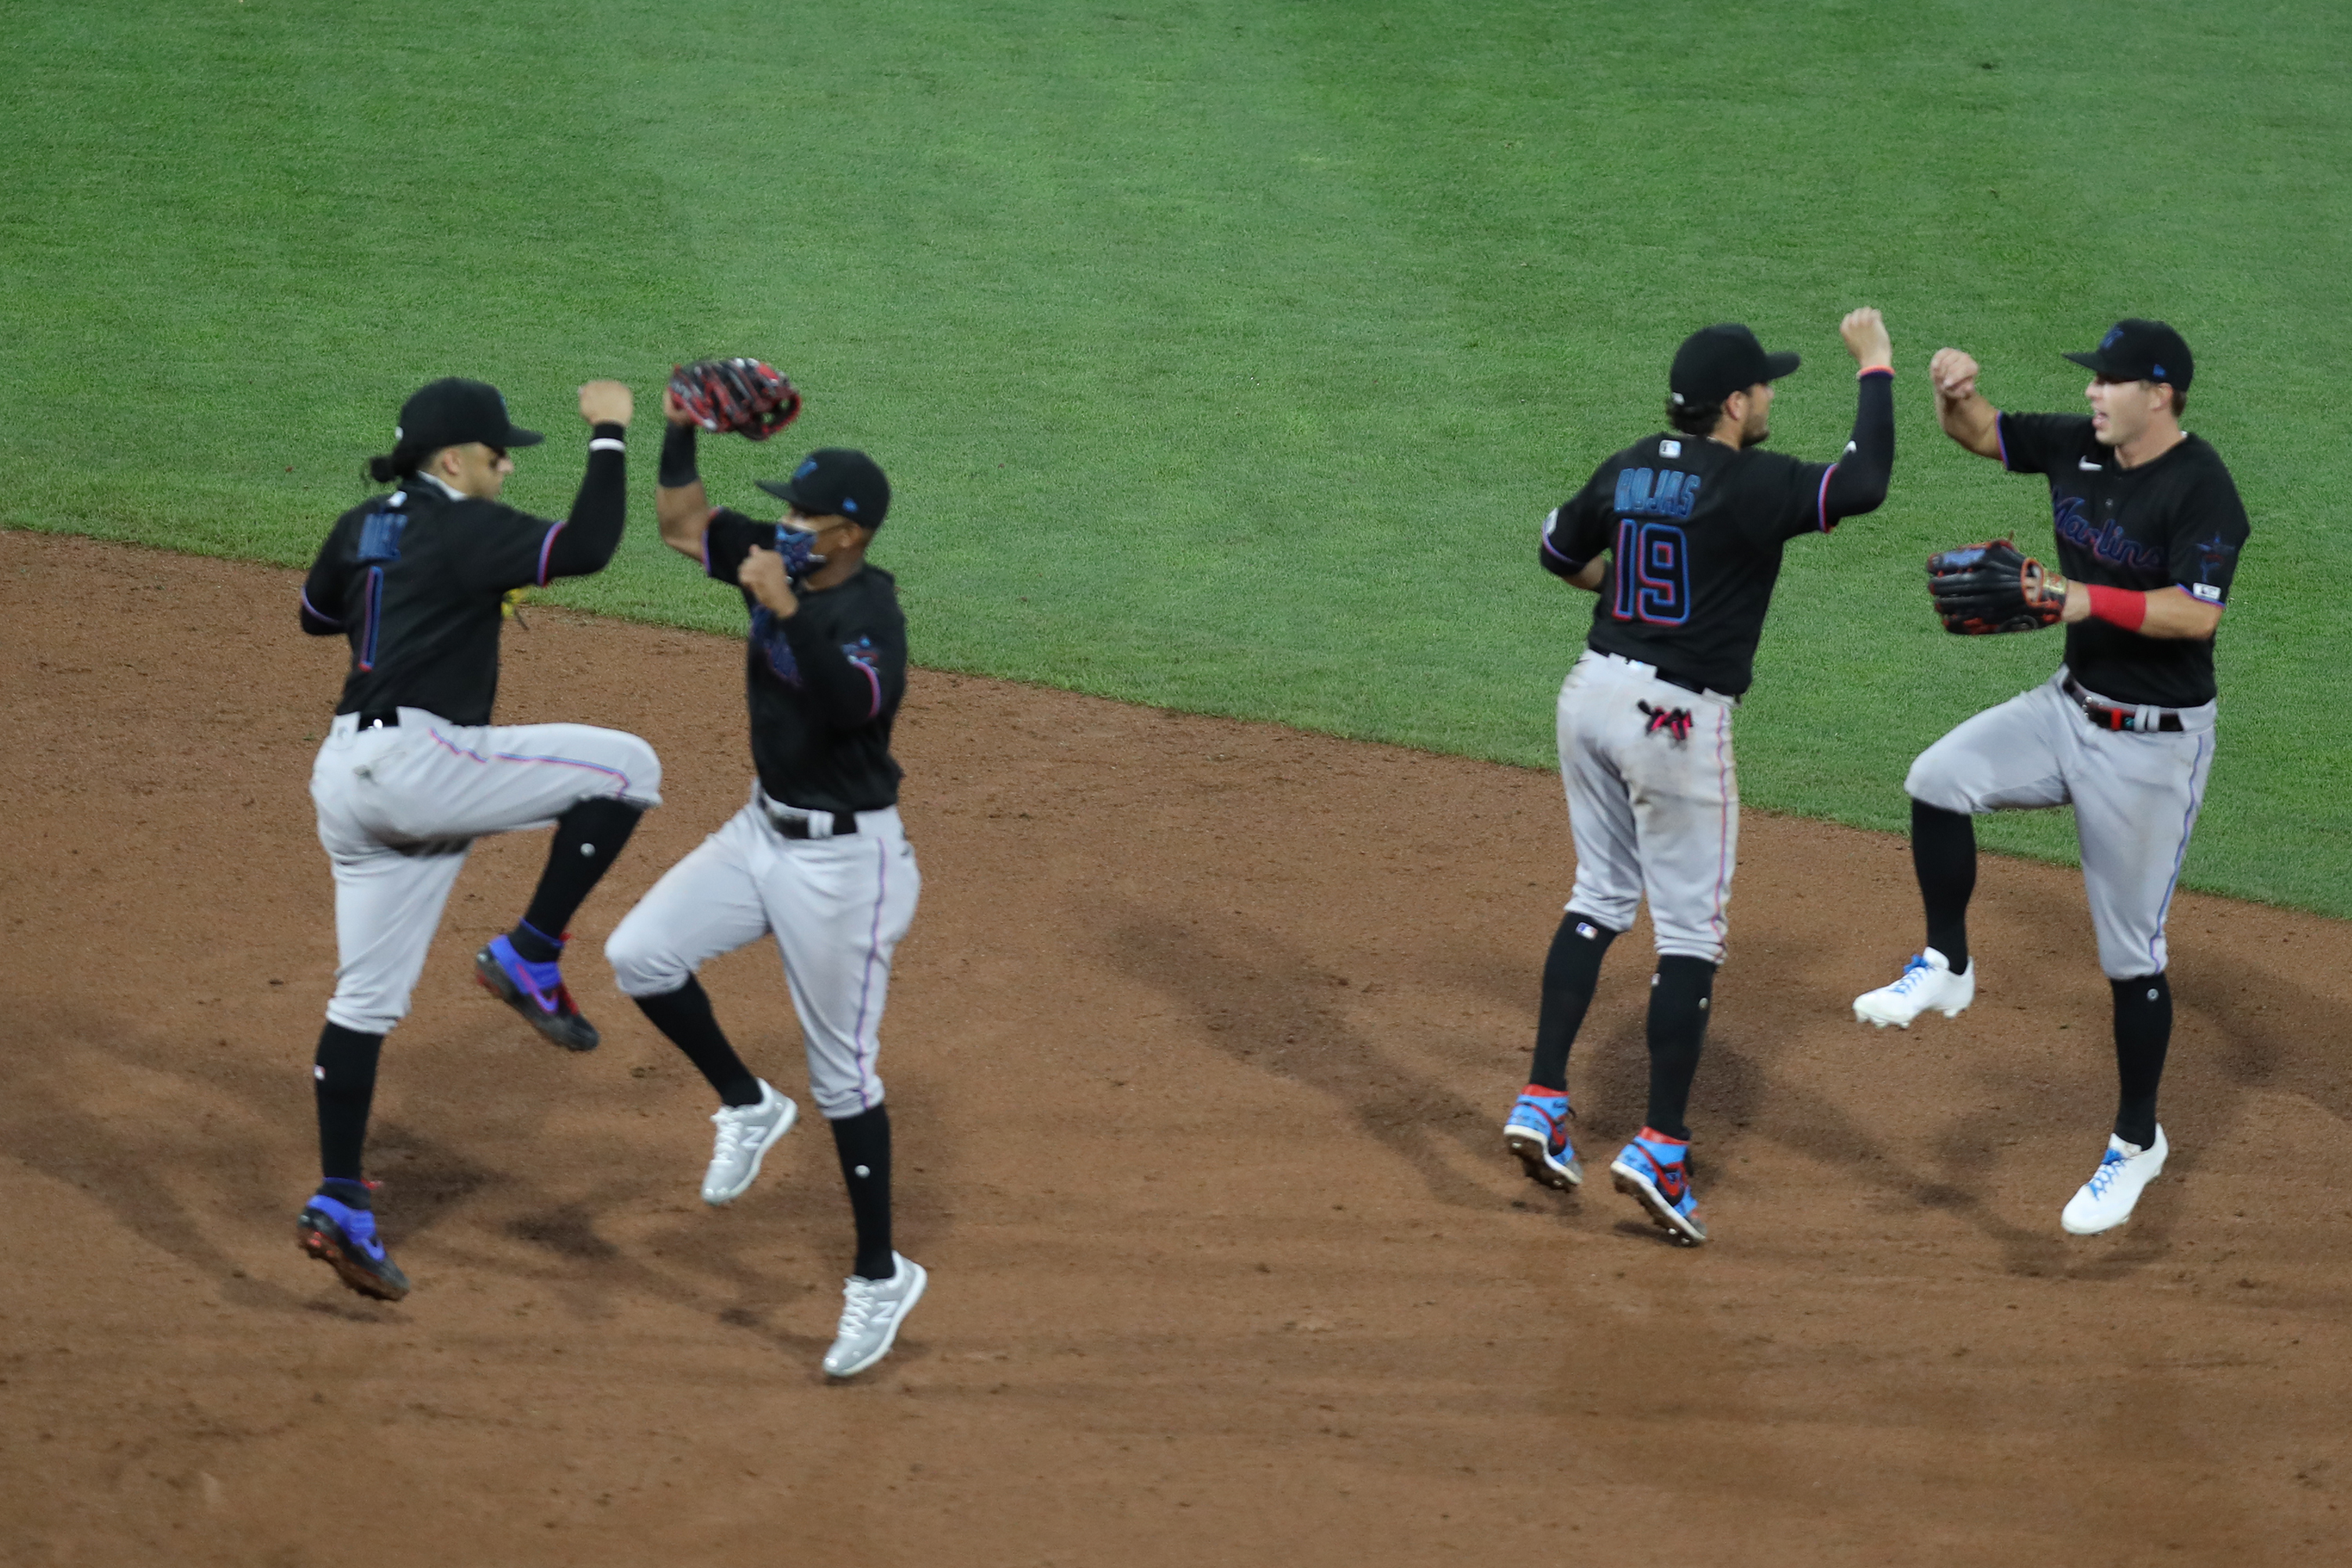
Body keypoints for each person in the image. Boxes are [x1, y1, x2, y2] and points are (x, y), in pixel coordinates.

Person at [1503, 311, 1897, 1244]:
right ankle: (1661, 1146)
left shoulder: (1633, 464)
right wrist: (1876, 368)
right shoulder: (1753, 482)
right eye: (1765, 388)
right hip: (1676, 721)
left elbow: (1560, 551)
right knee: (1690, 933)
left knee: (1598, 894)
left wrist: (1633, 600)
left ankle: (1543, 1098)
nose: (1771, 399)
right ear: (1734, 403)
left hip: (1589, 692)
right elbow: (1865, 483)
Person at [1852, 319, 2249, 1236]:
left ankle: (2136, 1140)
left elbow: (2194, 615)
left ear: (2160, 394)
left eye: (2107, 381)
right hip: (2066, 706)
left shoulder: (2203, 489)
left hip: (2154, 747)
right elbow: (1981, 431)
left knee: (2130, 956)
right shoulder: (2081, 445)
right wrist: (1953, 392)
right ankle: (1947, 961)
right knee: (1937, 777)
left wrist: (2079, 597)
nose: (2089, 394)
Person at [294, 376, 662, 1301]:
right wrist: (612, 433)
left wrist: (435, 602)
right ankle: (532, 951)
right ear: (452, 460)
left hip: (344, 777)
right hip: (423, 765)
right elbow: (588, 548)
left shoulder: (362, 523)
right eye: (500, 453)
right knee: (628, 768)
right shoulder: (462, 522)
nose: (506, 466)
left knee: (366, 997)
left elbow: (317, 616)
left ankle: (341, 1199)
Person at [604, 397, 924, 1376]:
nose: (782, 527)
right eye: (782, 513)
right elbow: (678, 524)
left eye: (801, 518)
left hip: (845, 866)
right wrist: (677, 425)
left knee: (844, 1078)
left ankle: (880, 1274)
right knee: (639, 954)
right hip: (760, 830)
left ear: (850, 533)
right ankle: (746, 1102)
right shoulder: (772, 562)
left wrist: (783, 610)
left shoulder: (871, 612)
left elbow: (856, 706)